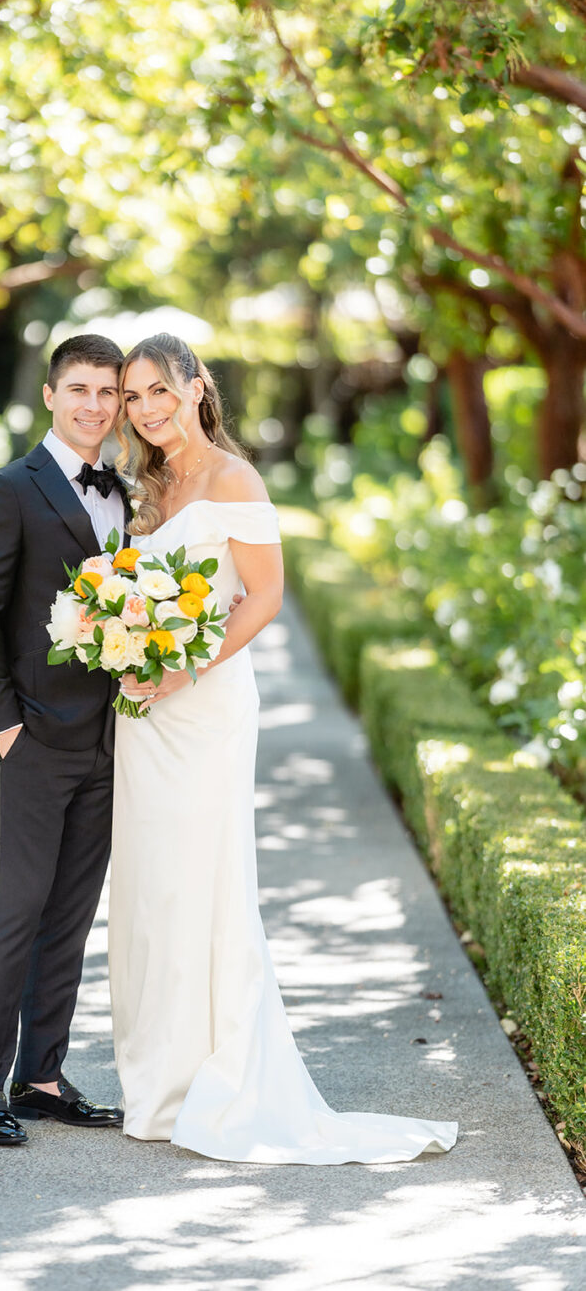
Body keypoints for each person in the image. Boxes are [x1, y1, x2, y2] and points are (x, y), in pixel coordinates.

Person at [109, 332, 458, 1164]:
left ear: (197, 386)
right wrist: (123, 645)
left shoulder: (237, 479)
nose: (146, 409)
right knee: (150, 891)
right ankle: (159, 1083)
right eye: (131, 396)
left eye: (159, 389)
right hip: (143, 715)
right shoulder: (149, 486)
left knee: (207, 882)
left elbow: (263, 597)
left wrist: (182, 672)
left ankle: (221, 1078)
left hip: (205, 707)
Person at [0, 333, 130, 1146]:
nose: (95, 405)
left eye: (109, 392)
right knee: (16, 907)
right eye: (80, 389)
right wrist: (4, 724)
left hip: (110, 740)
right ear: (51, 396)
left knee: (72, 914)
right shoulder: (5, 489)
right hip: (29, 737)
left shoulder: (125, 491)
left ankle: (42, 1076)